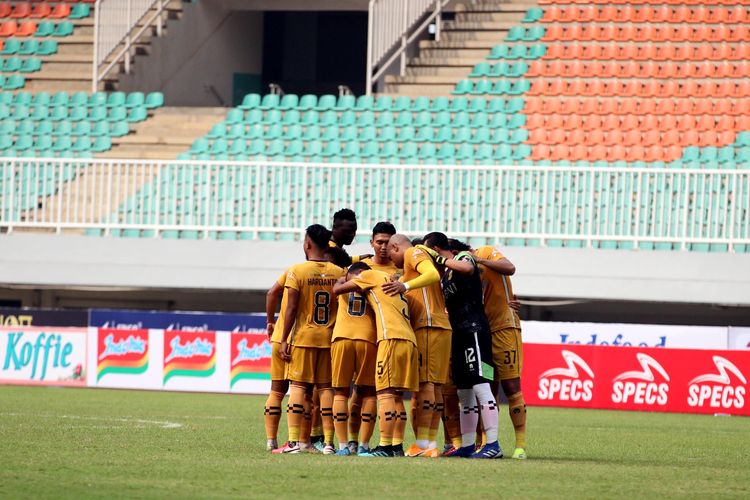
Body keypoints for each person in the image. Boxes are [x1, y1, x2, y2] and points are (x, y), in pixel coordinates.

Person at [421, 232, 502, 459]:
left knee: (481, 384)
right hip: (459, 334)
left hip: (475, 330)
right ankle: (467, 445)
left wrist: (439, 259)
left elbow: (467, 269)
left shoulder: (465, 257)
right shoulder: (446, 276)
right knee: (464, 392)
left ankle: (493, 444)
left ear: (436, 249)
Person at [333, 262, 419, 458]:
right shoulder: (394, 285)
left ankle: (352, 446)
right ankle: (383, 445)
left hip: (379, 338)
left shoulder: (368, 276)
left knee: (368, 392)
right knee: (388, 394)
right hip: (402, 339)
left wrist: (342, 279)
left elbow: (337, 289)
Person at [275, 224, 345, 454]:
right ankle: (327, 443)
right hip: (329, 338)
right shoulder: (338, 272)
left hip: (304, 337)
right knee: (326, 389)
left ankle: (294, 442)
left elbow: (291, 308)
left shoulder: (297, 271)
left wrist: (284, 338)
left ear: (307, 244)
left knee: (297, 386)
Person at [384, 234, 451, 458]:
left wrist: (404, 285)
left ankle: (423, 444)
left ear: (396, 246)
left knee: (426, 385)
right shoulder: (416, 261)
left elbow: (431, 275)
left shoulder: (413, 252)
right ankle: (430, 443)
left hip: (428, 326)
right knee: (436, 387)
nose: (392, 259)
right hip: (441, 327)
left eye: (391, 254)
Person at [345, 221, 399, 454]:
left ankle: (368, 444)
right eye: (379, 242)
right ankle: (351, 441)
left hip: (386, 339)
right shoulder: (360, 267)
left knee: (374, 393)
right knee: (356, 392)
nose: (384, 247)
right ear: (372, 242)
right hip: (363, 335)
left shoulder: (400, 271)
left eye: (388, 243)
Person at [473, 243, 527, 460]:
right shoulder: (453, 270)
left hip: (504, 328)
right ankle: (488, 443)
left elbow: (509, 267)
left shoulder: (483, 252)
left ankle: (520, 446)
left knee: (512, 386)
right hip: (482, 333)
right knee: (487, 389)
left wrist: (481, 261)